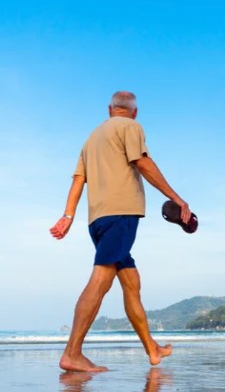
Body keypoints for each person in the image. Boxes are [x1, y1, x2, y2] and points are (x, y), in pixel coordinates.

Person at [49, 91, 192, 372]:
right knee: (101, 280)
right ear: (134, 112)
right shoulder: (131, 127)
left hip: (97, 220)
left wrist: (68, 215)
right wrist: (177, 198)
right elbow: (142, 162)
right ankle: (72, 353)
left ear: (109, 109)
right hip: (121, 215)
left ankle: (152, 348)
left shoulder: (91, 139)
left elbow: (78, 181)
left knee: (131, 282)